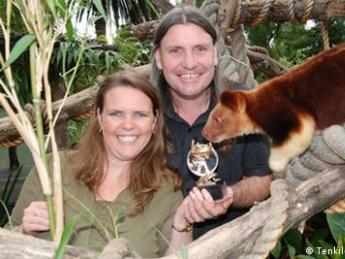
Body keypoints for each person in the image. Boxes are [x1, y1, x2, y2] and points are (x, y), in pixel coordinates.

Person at [10, 71, 208, 257]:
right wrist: (25, 230)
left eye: (140, 114)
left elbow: (178, 256)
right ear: (99, 118)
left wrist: (183, 221)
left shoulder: (165, 188)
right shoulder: (53, 169)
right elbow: (9, 243)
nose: (128, 124)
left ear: (154, 122)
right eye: (116, 114)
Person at [151, 6, 273, 239]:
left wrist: (229, 195)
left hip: (235, 244)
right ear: (159, 58)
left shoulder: (243, 104)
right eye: (175, 50)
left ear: (215, 54)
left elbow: (262, 179)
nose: (189, 63)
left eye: (200, 49)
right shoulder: (140, 112)